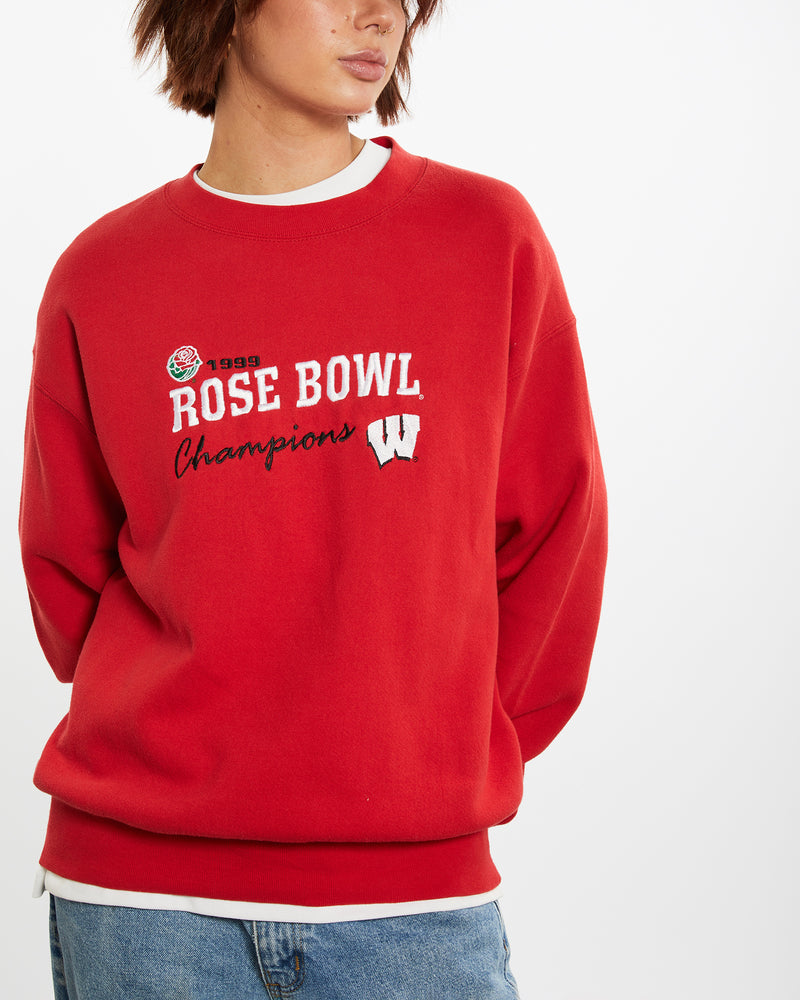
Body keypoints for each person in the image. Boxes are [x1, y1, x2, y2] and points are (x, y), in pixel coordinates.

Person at [20, 0, 608, 996]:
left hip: (410, 905)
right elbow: (64, 568)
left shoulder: (482, 237)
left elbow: (556, 529)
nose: (379, 15)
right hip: (141, 902)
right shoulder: (103, 275)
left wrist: (432, 737)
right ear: (222, 12)